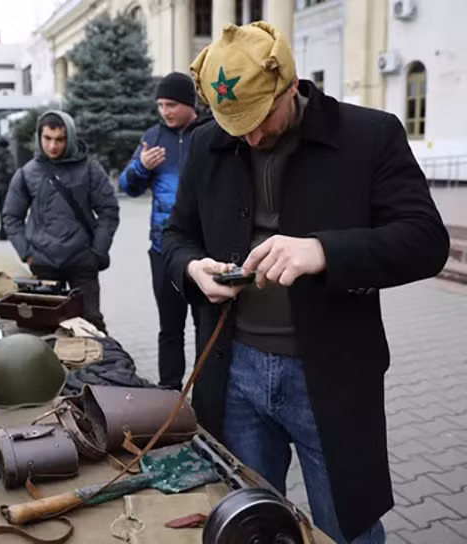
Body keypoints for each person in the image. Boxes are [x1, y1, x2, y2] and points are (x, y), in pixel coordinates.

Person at [162, 22, 449, 544]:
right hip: (235, 372)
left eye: (260, 118)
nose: (248, 137)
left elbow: (427, 241)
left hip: (330, 377)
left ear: (289, 86)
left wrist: (324, 251)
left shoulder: (370, 135)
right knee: (250, 524)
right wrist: (191, 267)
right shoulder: (207, 144)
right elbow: (177, 234)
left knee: (348, 529)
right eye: (234, 124)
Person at [119, 72, 212, 390]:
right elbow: (127, 186)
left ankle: (206, 390)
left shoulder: (210, 132)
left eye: (171, 104)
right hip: (163, 249)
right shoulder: (153, 137)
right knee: (169, 327)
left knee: (207, 327)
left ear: (189, 103)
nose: (165, 111)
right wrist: (140, 166)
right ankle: (169, 390)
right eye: (160, 105)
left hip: (206, 251)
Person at [3, 111, 120, 333]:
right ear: (40, 137)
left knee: (91, 325)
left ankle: (102, 367)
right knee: (46, 327)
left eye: (59, 139)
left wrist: (97, 251)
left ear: (70, 138)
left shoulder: (89, 168)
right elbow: (11, 216)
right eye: (47, 138)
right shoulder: (27, 173)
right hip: (43, 263)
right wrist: (26, 253)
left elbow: (108, 210)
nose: (53, 146)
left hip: (82, 261)